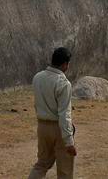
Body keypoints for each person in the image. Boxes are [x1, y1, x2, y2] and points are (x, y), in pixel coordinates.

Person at [28, 47, 77, 179]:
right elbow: (64, 115)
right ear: (65, 64)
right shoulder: (63, 83)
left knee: (42, 164)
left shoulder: (37, 77)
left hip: (42, 126)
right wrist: (69, 141)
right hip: (58, 129)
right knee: (65, 170)